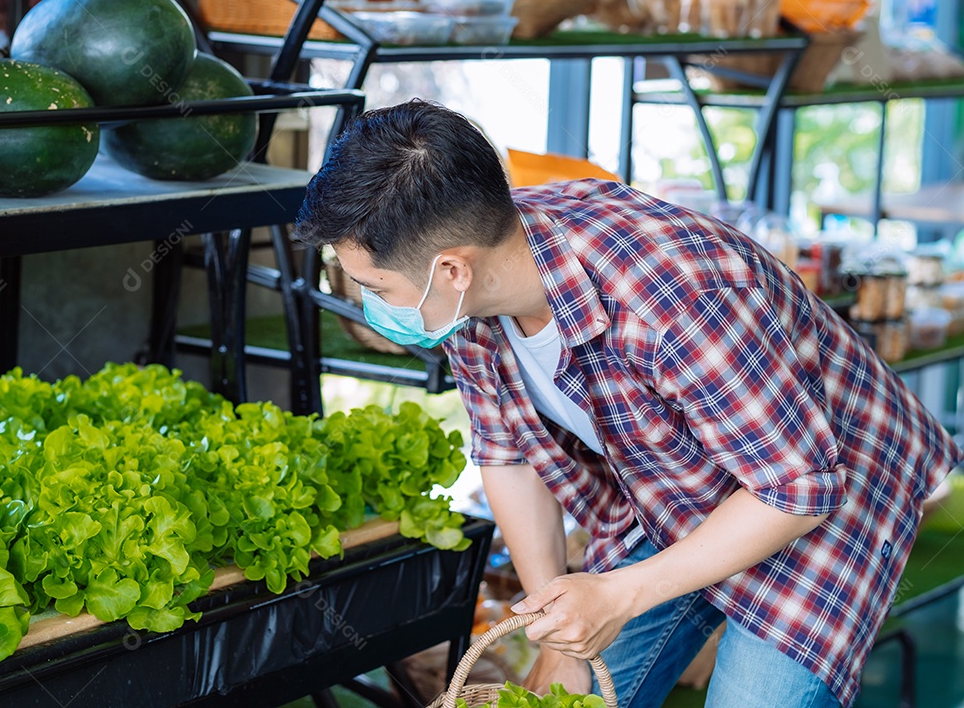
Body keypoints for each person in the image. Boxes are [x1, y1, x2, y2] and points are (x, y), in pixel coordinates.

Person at [295, 99, 962, 708]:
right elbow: (507, 456)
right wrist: (556, 627)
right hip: (675, 474)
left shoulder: (674, 296)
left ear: (452, 269)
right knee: (574, 687)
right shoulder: (473, 298)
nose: (369, 305)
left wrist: (619, 594)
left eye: (373, 286)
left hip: (820, 479)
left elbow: (799, 485)